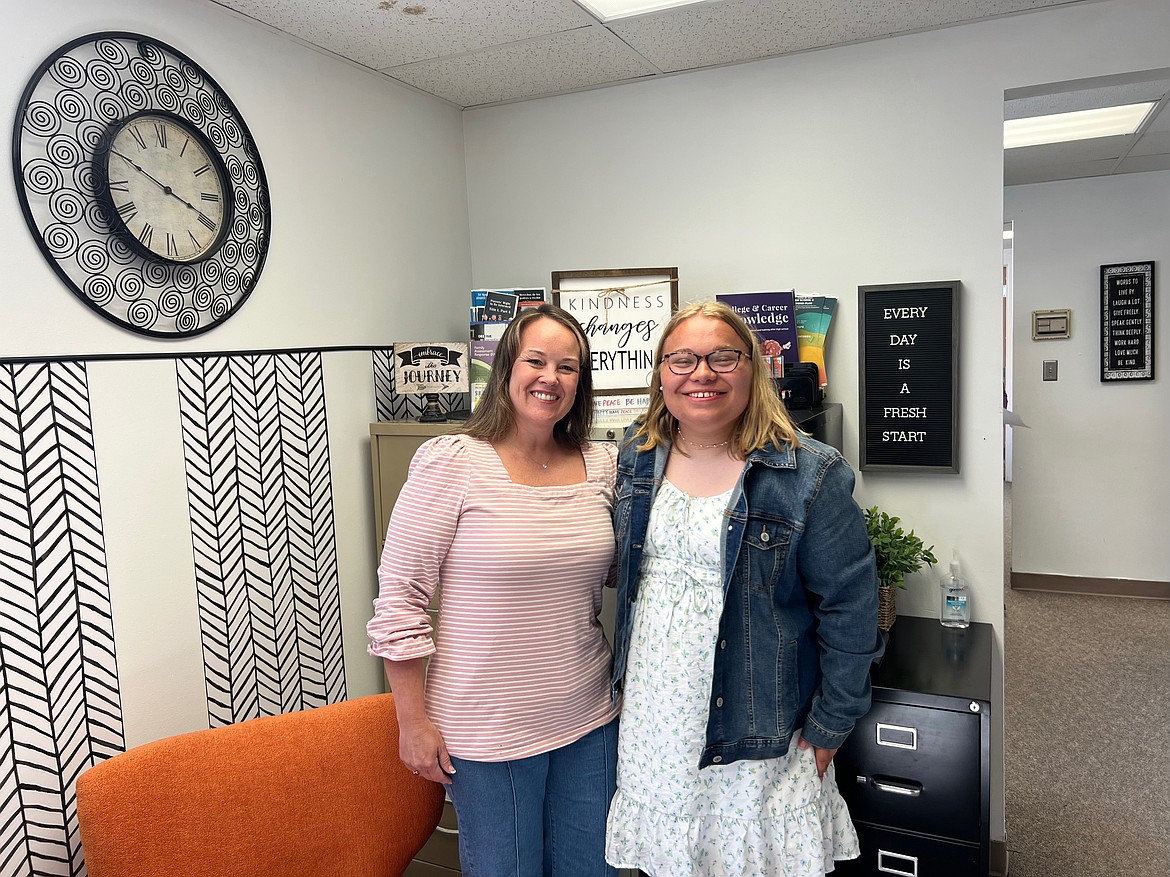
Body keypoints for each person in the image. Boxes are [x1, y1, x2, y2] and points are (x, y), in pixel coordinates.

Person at [604, 301, 882, 877]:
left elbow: (851, 607)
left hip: (760, 718)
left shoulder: (808, 473)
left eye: (723, 358)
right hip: (655, 719)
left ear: (753, 368)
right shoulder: (636, 457)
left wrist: (833, 721)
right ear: (661, 373)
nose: (701, 373)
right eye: (682, 359)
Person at [367, 304, 620, 877]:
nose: (550, 378)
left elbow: (614, 575)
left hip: (588, 715)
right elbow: (401, 600)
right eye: (536, 361)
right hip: (487, 729)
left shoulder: (603, 464)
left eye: (568, 367)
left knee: (593, 869)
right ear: (507, 366)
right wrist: (412, 722)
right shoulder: (453, 462)